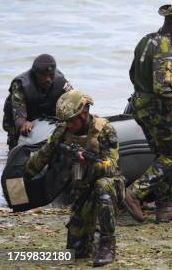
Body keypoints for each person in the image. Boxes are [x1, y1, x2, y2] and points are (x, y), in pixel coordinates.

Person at [25, 90, 123, 267]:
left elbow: (112, 167)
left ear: (84, 113)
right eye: (66, 121)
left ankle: (107, 244)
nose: (68, 125)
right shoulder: (63, 130)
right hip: (82, 190)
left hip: (107, 187)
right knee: (76, 252)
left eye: (71, 120)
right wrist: (24, 174)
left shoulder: (104, 130)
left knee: (104, 185)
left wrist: (91, 163)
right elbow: (45, 153)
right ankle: (89, 242)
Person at [123, 2, 172, 224]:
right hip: (157, 109)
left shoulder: (145, 41)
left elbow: (132, 73)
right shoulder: (166, 47)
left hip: (139, 105)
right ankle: (135, 192)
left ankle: (165, 206)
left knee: (162, 155)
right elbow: (163, 89)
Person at [3, 54, 73, 150]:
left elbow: (74, 100)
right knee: (16, 151)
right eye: (44, 75)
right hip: (21, 122)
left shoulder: (61, 81)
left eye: (51, 75)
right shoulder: (21, 85)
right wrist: (23, 123)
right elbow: (18, 117)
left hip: (47, 121)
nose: (48, 79)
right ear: (35, 74)